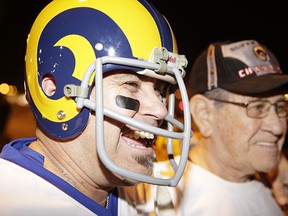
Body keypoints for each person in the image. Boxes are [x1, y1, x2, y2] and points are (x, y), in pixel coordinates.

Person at [0, 0, 192, 215]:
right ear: (56, 91)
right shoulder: (11, 202)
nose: (161, 110)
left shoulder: (140, 196)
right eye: (131, 85)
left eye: (159, 89)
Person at [122, 39, 288, 215]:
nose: (277, 127)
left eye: (280, 107)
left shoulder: (275, 184)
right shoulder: (144, 192)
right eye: (257, 107)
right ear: (204, 115)